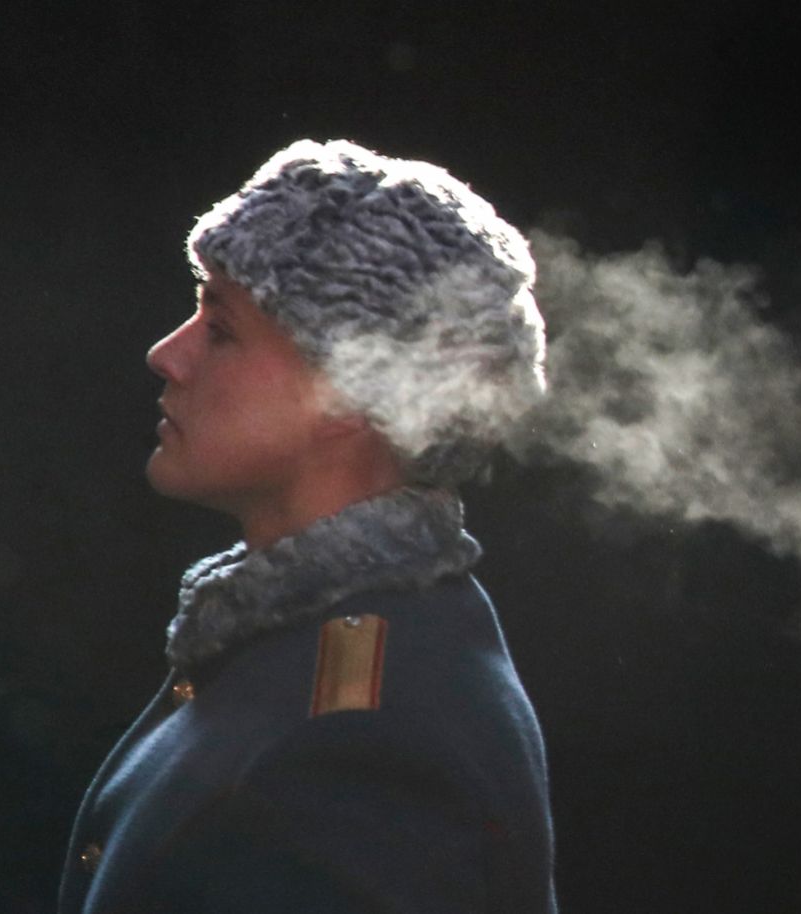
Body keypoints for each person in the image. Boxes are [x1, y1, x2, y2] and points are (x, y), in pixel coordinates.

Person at [57, 140, 557, 913]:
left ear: (354, 396)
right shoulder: (308, 648)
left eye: (221, 329)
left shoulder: (363, 744)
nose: (167, 355)